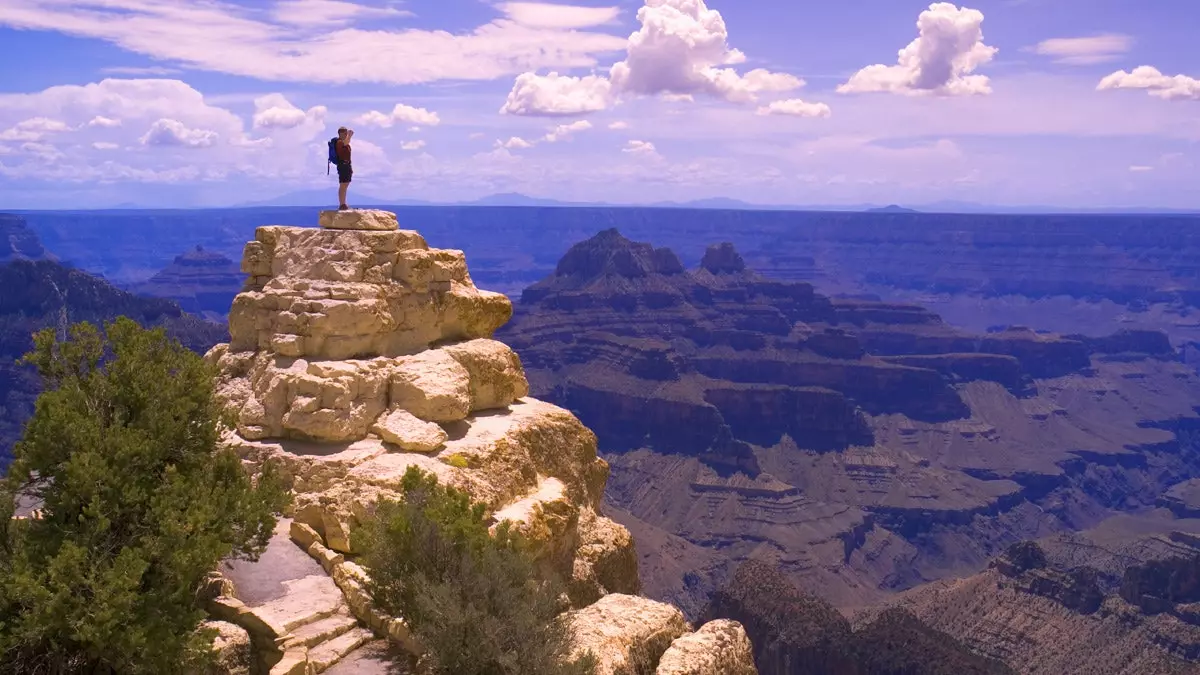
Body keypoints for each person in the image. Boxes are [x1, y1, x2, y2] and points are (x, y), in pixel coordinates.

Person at [335, 126, 353, 210]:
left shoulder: (344, 142)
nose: (346, 134)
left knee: (346, 183)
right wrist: (349, 136)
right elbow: (345, 143)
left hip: (347, 165)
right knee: (343, 184)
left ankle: (343, 203)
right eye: (345, 133)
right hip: (342, 165)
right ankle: (342, 204)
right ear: (340, 133)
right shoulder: (339, 142)